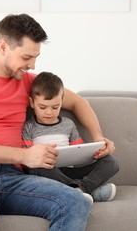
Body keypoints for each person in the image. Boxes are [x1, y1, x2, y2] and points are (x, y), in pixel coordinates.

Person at [0, 13, 116, 231]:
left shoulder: (27, 82)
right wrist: (25, 155)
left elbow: (79, 102)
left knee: (76, 201)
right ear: (3, 46)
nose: (32, 65)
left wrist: (98, 137)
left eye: (35, 57)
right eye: (26, 57)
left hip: (13, 178)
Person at [22, 72, 119, 203]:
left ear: (62, 102)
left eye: (55, 107)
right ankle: (87, 190)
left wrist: (96, 151)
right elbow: (27, 159)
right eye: (43, 107)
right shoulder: (29, 127)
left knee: (111, 162)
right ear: (32, 103)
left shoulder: (68, 124)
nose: (49, 112)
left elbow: (78, 151)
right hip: (49, 173)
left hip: (70, 171)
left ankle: (78, 189)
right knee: (36, 169)